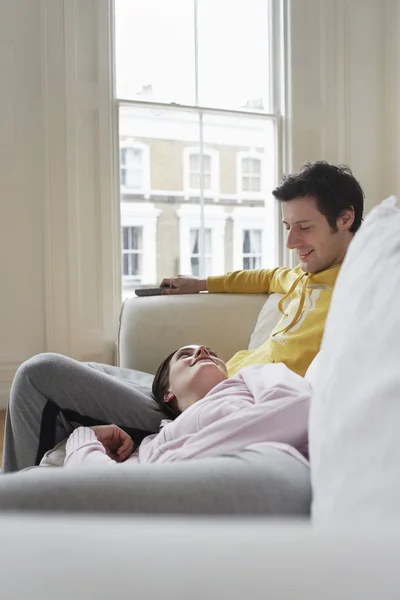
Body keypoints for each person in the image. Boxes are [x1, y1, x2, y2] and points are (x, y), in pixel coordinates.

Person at [1, 161, 364, 474]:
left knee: (40, 374)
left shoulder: (360, 286)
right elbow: (267, 276)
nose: (291, 242)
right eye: (287, 227)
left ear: (345, 218)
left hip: (213, 407)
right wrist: (200, 283)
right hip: (210, 383)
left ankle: (16, 505)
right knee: (81, 371)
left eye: (304, 227)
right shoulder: (301, 275)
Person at [63, 345, 311, 468]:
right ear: (167, 392)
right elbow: (96, 482)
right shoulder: (151, 445)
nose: (203, 350)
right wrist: (86, 435)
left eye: (211, 352)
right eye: (185, 355)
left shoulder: (255, 376)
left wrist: (171, 467)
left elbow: (301, 409)